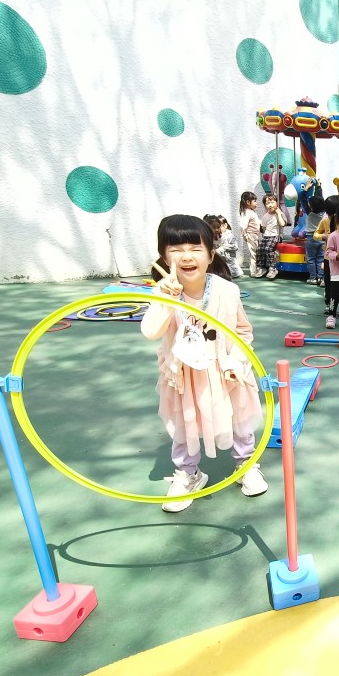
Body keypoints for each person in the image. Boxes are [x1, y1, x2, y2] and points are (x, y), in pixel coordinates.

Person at [141, 214, 268, 513]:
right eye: (175, 249)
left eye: (195, 248)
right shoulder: (163, 293)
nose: (186, 256)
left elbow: (243, 331)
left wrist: (236, 362)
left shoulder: (227, 290)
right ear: (164, 258)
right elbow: (150, 331)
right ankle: (189, 474)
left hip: (225, 372)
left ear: (210, 255)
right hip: (184, 376)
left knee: (239, 420)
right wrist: (167, 299)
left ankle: (246, 465)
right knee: (184, 424)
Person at [256, 193, 286, 279]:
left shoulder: (280, 214)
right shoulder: (265, 215)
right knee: (259, 249)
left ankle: (272, 268)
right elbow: (263, 227)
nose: (270, 205)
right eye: (267, 203)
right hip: (266, 236)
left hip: (275, 235)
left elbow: (282, 224)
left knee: (268, 249)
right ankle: (261, 268)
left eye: (272, 202)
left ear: (276, 203)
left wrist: (279, 214)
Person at [205, 214, 243, 279]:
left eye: (218, 227)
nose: (216, 229)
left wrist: (222, 248)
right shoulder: (207, 238)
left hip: (229, 263)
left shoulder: (226, 236)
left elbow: (235, 246)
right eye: (214, 227)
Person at [303, 196, 327, 285]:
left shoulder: (310, 213)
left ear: (311, 206)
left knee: (311, 258)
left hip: (311, 237)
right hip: (321, 237)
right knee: (321, 258)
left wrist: (304, 191)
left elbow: (303, 200)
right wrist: (319, 189)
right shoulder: (325, 214)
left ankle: (313, 278)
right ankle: (321, 277)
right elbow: (320, 198)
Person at [238, 191, 260, 275]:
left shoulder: (250, 212)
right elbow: (243, 225)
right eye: (254, 201)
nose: (256, 203)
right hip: (251, 235)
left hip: (254, 235)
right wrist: (245, 235)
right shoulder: (247, 212)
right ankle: (254, 271)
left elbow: (256, 222)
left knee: (255, 253)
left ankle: (255, 269)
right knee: (254, 254)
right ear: (248, 202)